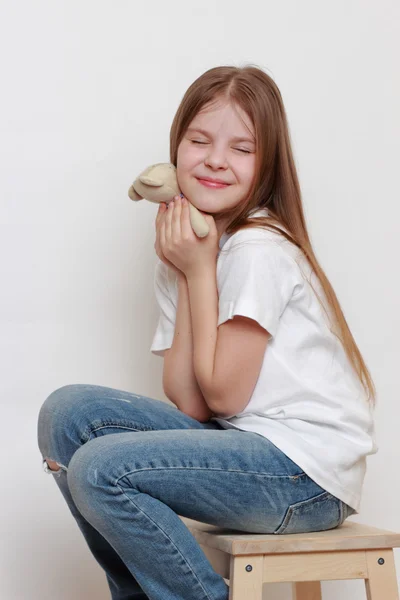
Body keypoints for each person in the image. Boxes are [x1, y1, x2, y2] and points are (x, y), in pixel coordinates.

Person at [37, 65, 378, 600]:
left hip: (302, 477)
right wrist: (188, 269)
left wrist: (200, 273)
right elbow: (192, 405)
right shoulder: (192, 248)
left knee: (102, 469)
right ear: (176, 151)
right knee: (68, 415)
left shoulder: (257, 250)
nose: (216, 159)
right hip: (244, 447)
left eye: (242, 149)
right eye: (199, 140)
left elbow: (224, 393)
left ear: (266, 167)